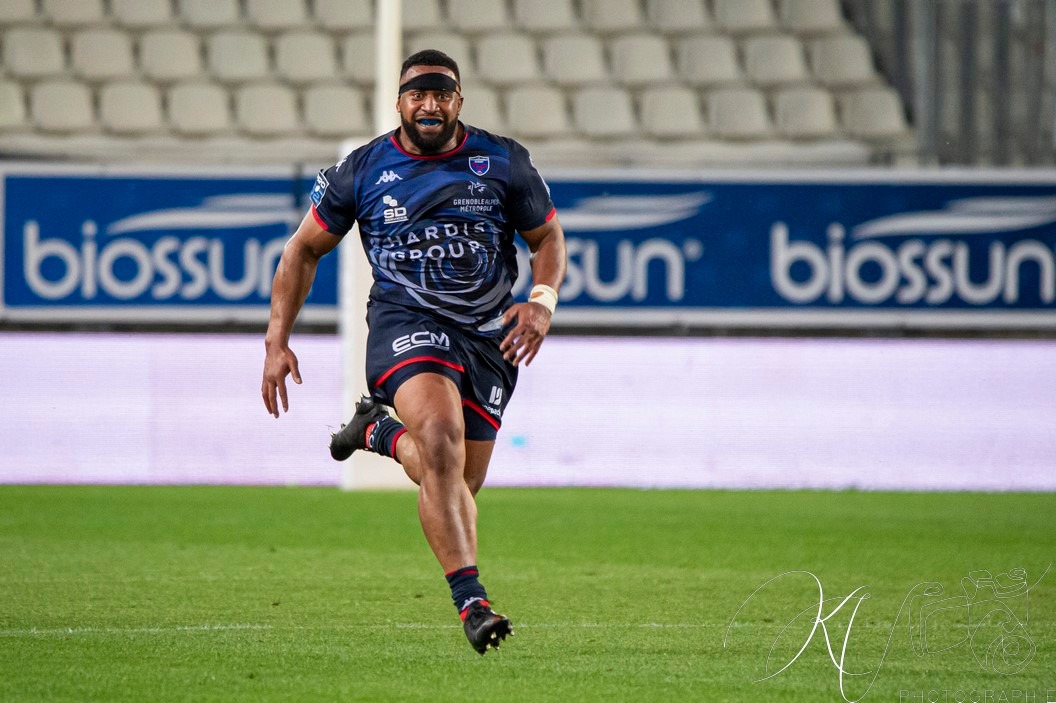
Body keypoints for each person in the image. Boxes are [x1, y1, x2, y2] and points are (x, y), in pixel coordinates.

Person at [261, 49, 567, 655]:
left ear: (459, 101)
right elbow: (302, 249)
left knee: (454, 480)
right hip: (407, 322)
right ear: (399, 101)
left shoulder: (503, 160)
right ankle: (473, 603)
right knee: (441, 440)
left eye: (441, 94)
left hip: (490, 336)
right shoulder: (363, 169)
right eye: (417, 94)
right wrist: (277, 340)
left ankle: (378, 432)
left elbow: (547, 236)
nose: (429, 104)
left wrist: (541, 301)